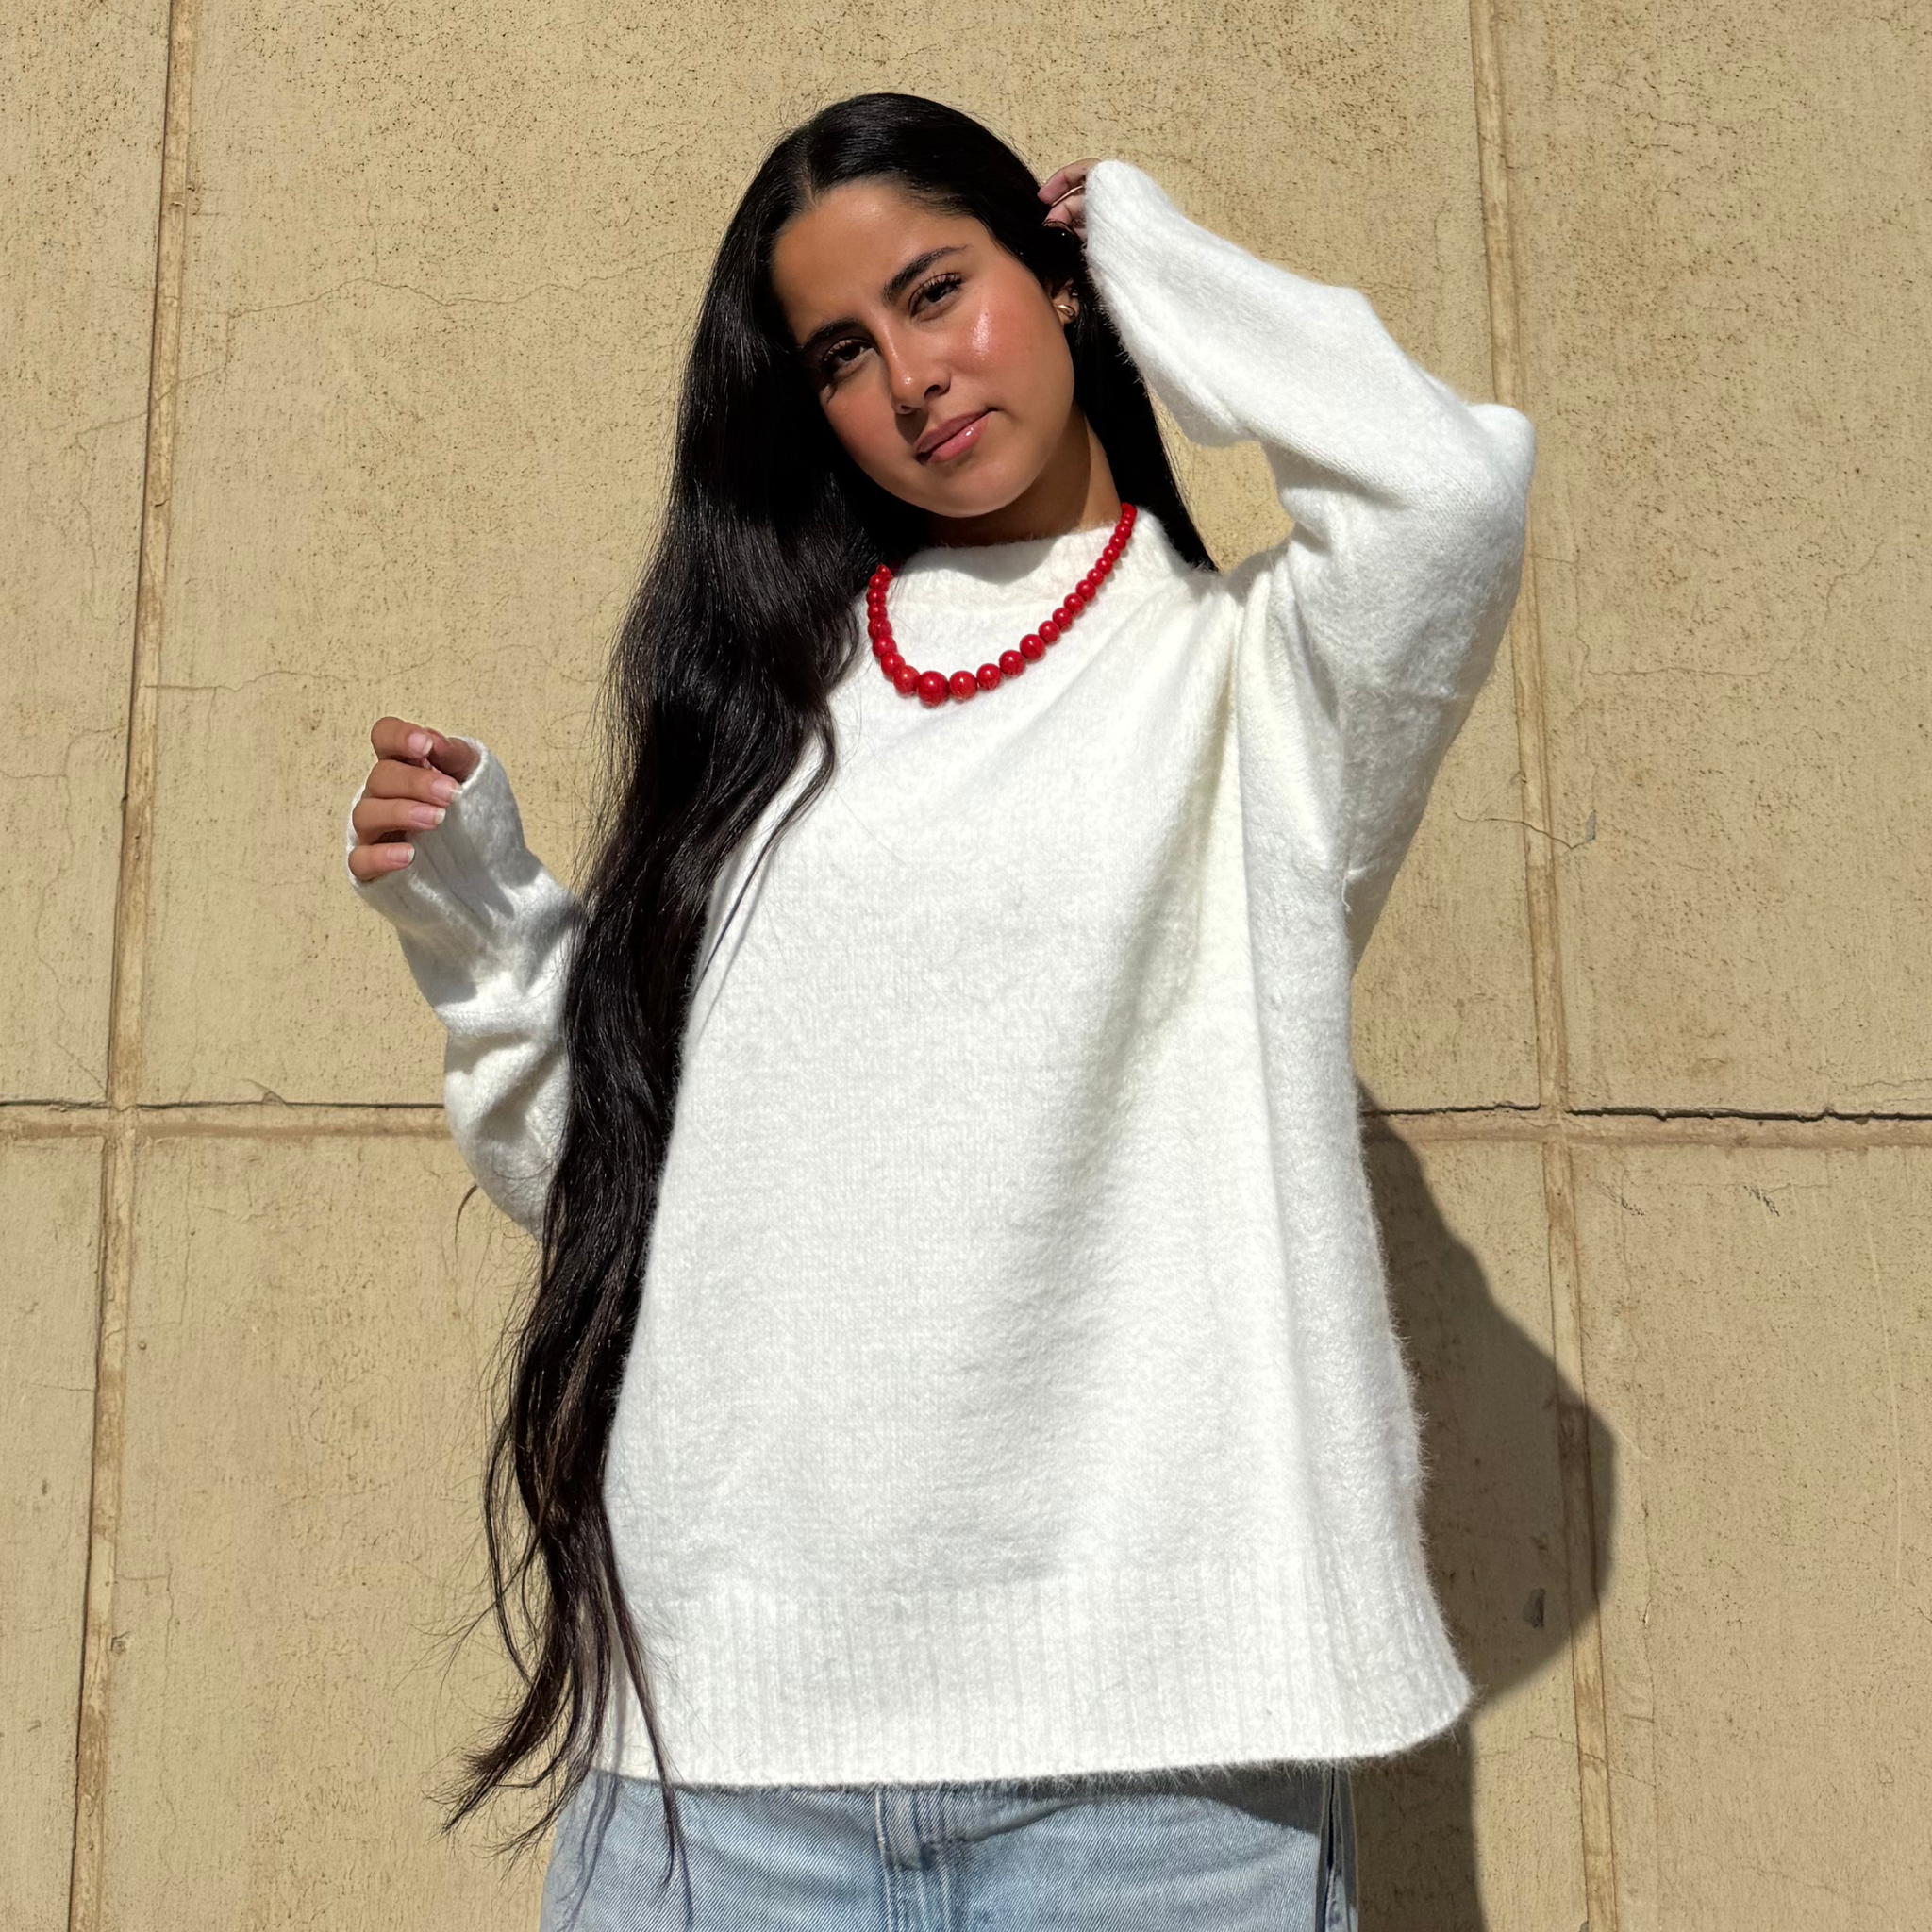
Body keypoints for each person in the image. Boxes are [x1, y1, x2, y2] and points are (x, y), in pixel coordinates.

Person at [342, 92, 1533, 1932]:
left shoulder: (1255, 694)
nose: (909, 375)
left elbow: (1442, 489)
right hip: (722, 1775)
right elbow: (628, 1188)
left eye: (938, 291)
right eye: (840, 349)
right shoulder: (763, 735)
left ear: (1052, 285)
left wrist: (1151, 254)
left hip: (1152, 1787)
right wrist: (488, 929)